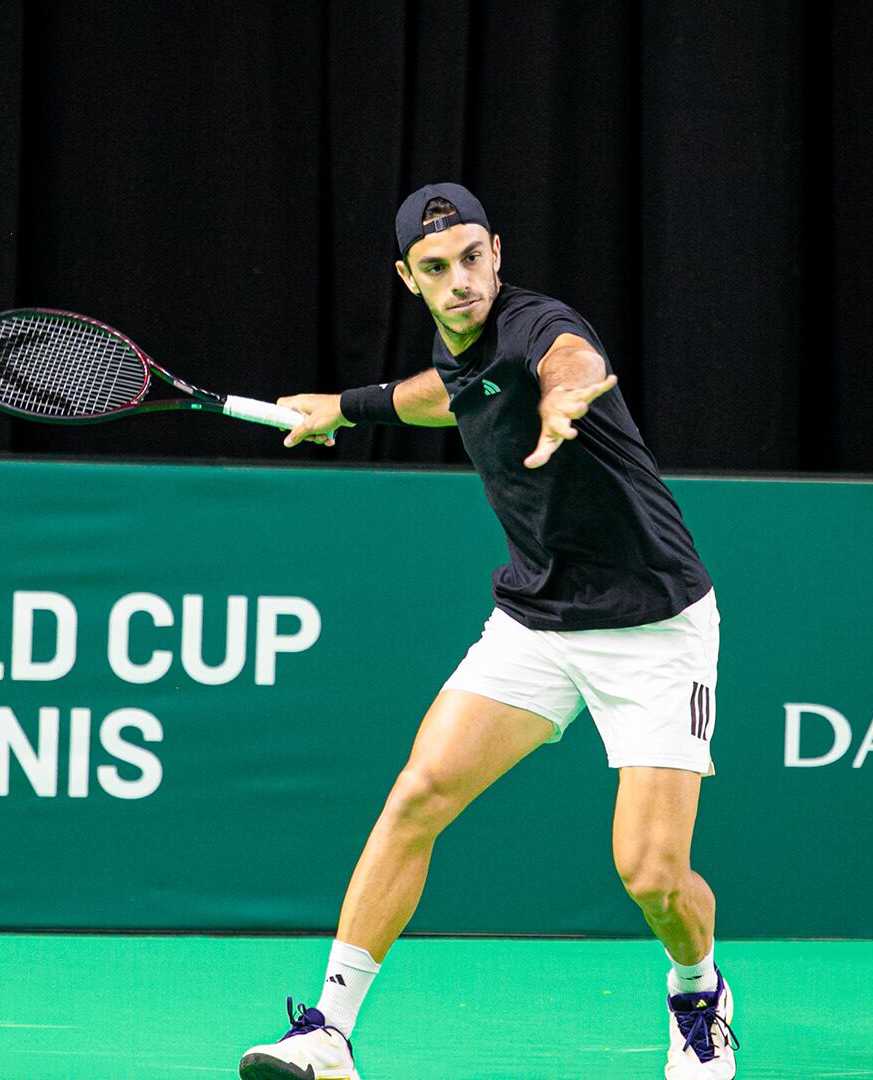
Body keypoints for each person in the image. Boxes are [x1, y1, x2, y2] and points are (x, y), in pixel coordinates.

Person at [238, 183, 736, 1080]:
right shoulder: (461, 347)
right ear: (409, 278)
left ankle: (700, 993)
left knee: (652, 876)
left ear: (497, 252)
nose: (461, 279)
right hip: (537, 620)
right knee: (418, 795)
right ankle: (327, 1032)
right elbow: (447, 395)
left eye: (473, 257)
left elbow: (570, 360)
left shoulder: (537, 325)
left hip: (653, 625)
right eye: (437, 268)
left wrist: (566, 400)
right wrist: (343, 406)